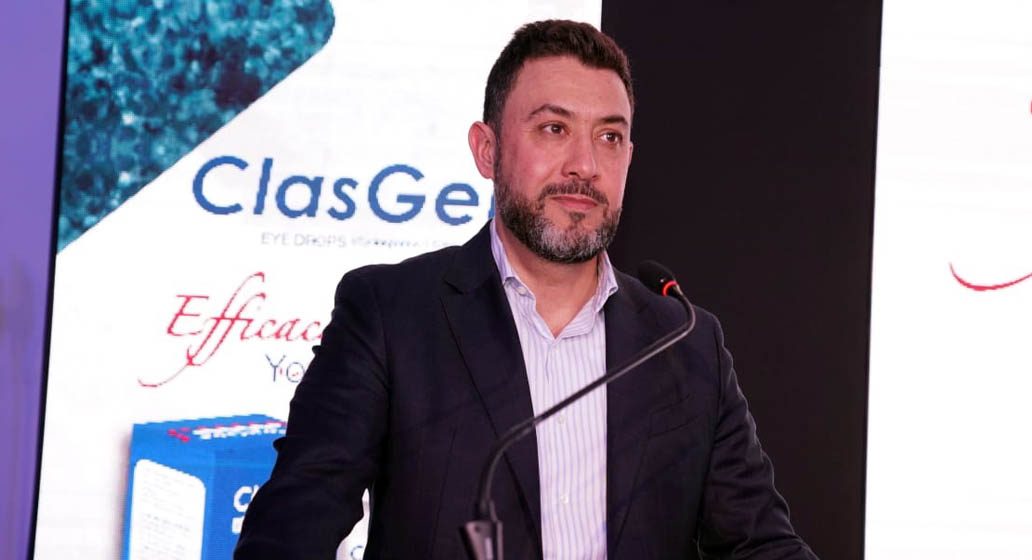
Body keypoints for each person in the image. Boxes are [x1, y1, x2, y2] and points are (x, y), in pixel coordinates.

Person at [235, 20, 817, 560]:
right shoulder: (391, 315)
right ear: (487, 151)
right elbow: (291, 530)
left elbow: (761, 546)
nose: (585, 164)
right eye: (554, 129)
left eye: (609, 137)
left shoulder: (685, 342)